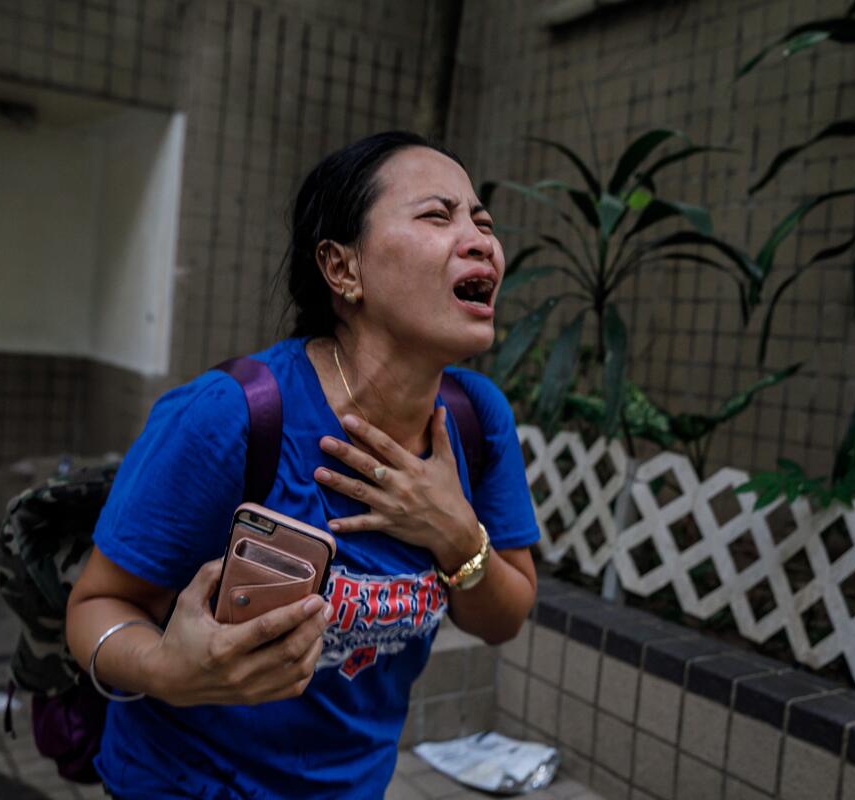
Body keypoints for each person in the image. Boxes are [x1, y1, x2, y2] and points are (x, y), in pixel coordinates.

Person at [65, 131, 540, 799]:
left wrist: (456, 534)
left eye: (481, 222)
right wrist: (171, 670)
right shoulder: (229, 415)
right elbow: (94, 604)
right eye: (439, 216)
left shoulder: (476, 419)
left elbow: (504, 618)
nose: (479, 239)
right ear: (342, 268)